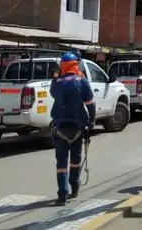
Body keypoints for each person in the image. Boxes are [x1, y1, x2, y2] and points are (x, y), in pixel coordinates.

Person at [49, 52, 95, 206]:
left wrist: (55, 76)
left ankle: (62, 195)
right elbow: (90, 104)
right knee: (76, 160)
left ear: (62, 65)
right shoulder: (82, 81)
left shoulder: (57, 82)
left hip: (60, 128)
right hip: (78, 128)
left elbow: (52, 93)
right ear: (76, 65)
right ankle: (74, 187)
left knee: (61, 164)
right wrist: (91, 122)